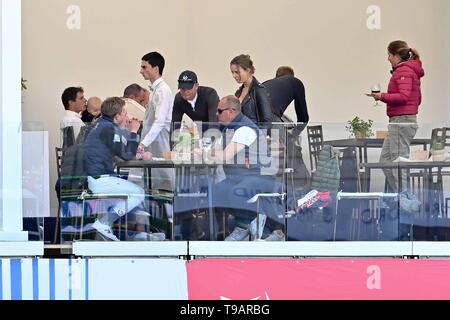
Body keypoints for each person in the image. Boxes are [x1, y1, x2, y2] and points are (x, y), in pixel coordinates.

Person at [206, 95, 284, 241]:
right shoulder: (229, 128)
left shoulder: (244, 129)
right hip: (244, 176)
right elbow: (213, 149)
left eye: (219, 110)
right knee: (215, 191)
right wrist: (209, 151)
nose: (216, 114)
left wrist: (214, 153)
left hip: (260, 177)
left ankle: (243, 227)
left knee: (237, 191)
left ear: (230, 111)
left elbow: (224, 156)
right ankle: (238, 227)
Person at [83, 97, 146, 241]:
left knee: (132, 191)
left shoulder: (101, 125)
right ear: (116, 116)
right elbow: (127, 155)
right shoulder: (109, 128)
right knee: (138, 193)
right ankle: (104, 222)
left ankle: (116, 228)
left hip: (96, 177)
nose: (127, 117)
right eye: (124, 113)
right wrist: (134, 131)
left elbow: (118, 151)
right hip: (100, 179)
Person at [367, 40, 425, 192]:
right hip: (400, 121)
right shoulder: (408, 70)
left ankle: (405, 199)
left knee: (399, 162)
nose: (388, 58)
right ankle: (402, 196)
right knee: (386, 161)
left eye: (389, 55)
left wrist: (382, 96)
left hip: (402, 121)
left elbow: (404, 96)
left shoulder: (404, 71)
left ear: (397, 55)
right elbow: (417, 99)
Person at [138, 51, 174, 190]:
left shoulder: (163, 90)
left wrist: (143, 142)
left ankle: (168, 210)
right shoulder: (155, 89)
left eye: (144, 67)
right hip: (152, 138)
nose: (140, 71)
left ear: (156, 69)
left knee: (163, 177)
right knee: (151, 177)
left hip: (158, 139)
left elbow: (160, 121)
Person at [230, 54, 273, 129]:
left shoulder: (259, 90)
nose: (234, 75)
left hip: (254, 137)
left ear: (248, 70)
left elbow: (266, 121)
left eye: (237, 72)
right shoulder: (238, 92)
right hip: (240, 136)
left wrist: (257, 137)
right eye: (232, 72)